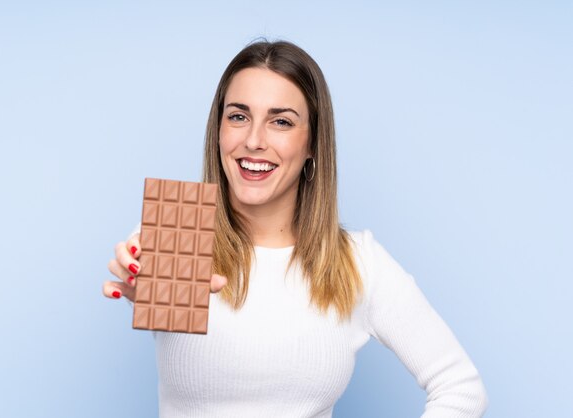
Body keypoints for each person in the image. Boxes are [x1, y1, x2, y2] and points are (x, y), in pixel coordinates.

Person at [102, 40, 489, 417]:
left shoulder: (357, 261)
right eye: (238, 116)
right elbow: (142, 279)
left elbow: (461, 388)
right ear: (218, 131)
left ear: (312, 145)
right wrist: (143, 287)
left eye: (281, 122)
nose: (254, 140)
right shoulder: (178, 232)